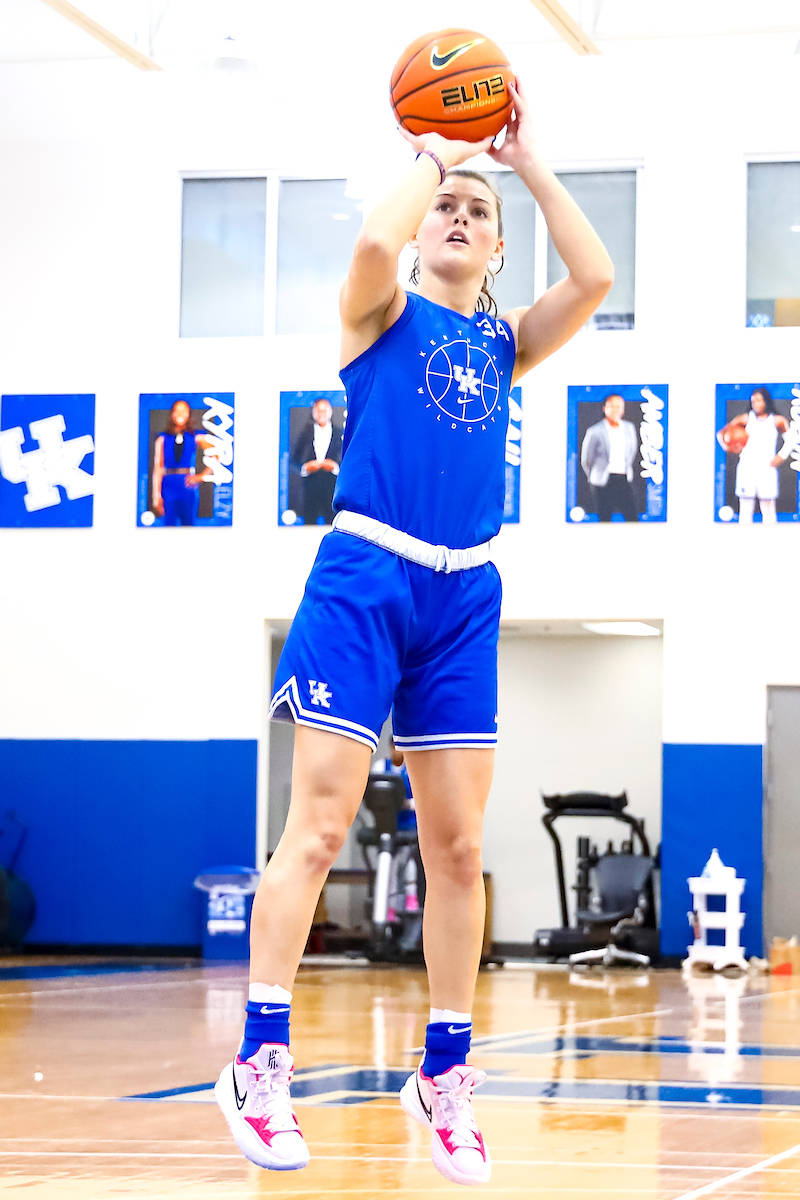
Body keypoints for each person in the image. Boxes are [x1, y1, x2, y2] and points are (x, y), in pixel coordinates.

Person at [214, 79, 613, 1186]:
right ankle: (259, 1062)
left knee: (457, 850)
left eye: (479, 215)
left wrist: (523, 163)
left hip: (463, 595)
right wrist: (440, 154)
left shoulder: (503, 342)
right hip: (364, 572)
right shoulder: (377, 315)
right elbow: (369, 241)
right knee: (318, 827)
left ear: (495, 247)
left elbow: (595, 277)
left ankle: (442, 1077)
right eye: (449, 207)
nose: (457, 218)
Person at [717, 387, 793, 524]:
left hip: (767, 468)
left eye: (759, 400)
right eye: (753, 401)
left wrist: (781, 456)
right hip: (747, 467)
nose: (756, 404)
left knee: (768, 508)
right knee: (745, 508)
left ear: (766, 401)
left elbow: (791, 440)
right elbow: (721, 433)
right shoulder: (746, 418)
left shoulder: (777, 420)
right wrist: (729, 447)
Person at [151, 399, 213, 526]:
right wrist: (156, 496)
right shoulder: (162, 439)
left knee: (188, 523)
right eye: (177, 411)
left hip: (187, 485)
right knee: (169, 524)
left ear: (188, 414)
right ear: (172, 414)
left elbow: (216, 455)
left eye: (184, 411)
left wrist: (200, 477)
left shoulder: (196, 436)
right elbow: (158, 468)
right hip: (168, 485)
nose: (180, 414)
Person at [580, 393, 639, 521]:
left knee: (632, 517)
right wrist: (594, 475)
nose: (615, 410)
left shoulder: (629, 428)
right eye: (612, 406)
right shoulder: (594, 431)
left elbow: (632, 451)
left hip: (623, 477)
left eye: (619, 406)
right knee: (605, 517)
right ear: (605, 408)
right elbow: (586, 459)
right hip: (602, 480)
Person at [291, 397, 344, 525]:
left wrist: (334, 467)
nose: (321, 414)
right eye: (318, 411)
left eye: (324, 411)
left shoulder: (339, 433)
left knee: (332, 523)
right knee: (310, 522)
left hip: (332, 488)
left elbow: (348, 461)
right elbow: (293, 461)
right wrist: (306, 468)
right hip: (310, 488)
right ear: (313, 413)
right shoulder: (304, 434)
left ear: (330, 412)